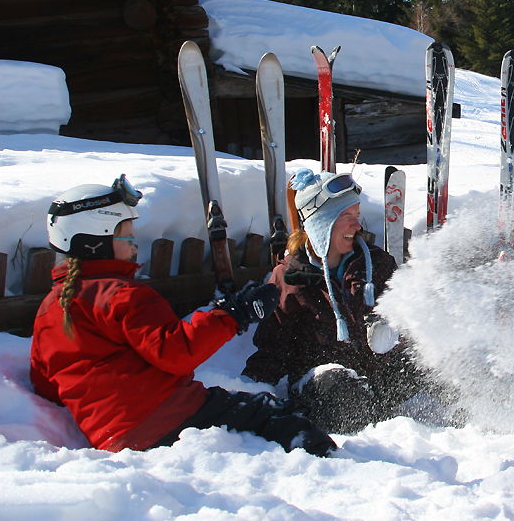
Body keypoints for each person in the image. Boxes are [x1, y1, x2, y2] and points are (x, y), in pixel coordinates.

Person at [29, 175, 337, 456]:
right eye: (126, 233)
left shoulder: (49, 310)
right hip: (172, 416)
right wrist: (234, 313)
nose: (135, 242)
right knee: (276, 416)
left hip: (114, 439)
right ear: (97, 238)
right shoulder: (122, 295)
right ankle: (332, 468)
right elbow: (176, 352)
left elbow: (45, 385)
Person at [242, 168, 439, 434]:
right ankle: (359, 455)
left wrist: (394, 328)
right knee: (341, 389)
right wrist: (248, 396)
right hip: (325, 386)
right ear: (320, 223)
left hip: (381, 378)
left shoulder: (377, 264)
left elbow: (414, 322)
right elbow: (272, 350)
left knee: (442, 370)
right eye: (347, 216)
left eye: (357, 215)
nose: (357, 225)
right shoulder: (289, 279)